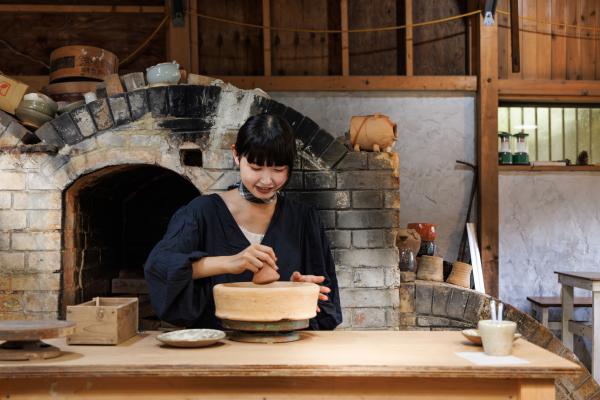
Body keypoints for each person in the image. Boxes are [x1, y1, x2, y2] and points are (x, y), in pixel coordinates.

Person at [144, 113, 342, 330]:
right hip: (218, 348)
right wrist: (229, 262)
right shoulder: (201, 213)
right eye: (256, 168)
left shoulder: (305, 219)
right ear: (236, 155)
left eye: (278, 169)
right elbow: (160, 268)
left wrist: (298, 294)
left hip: (283, 349)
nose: (267, 180)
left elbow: (327, 306)